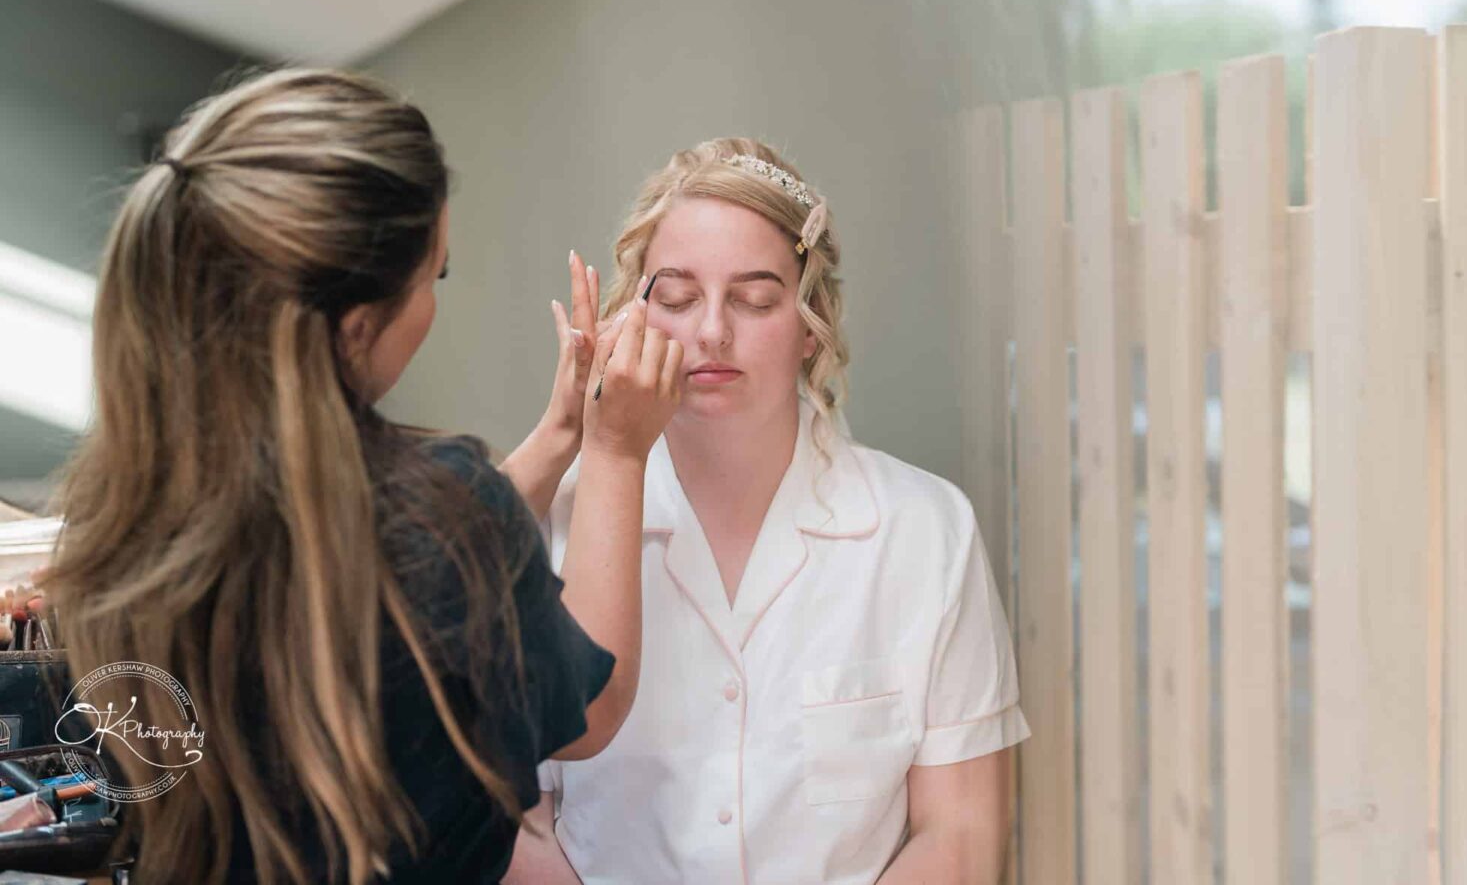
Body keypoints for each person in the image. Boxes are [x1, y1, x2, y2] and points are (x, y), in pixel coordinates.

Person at [42, 68, 683, 884]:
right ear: (354, 329)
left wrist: (559, 436)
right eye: (434, 276)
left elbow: (404, 562)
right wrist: (616, 450)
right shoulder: (439, 512)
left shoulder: (124, 512)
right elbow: (592, 703)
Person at [509, 139, 1029, 884]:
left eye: (754, 300)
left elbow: (963, 831)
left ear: (811, 323)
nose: (712, 332)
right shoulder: (546, 526)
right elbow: (511, 822)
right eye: (678, 298)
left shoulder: (925, 530)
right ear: (636, 315)